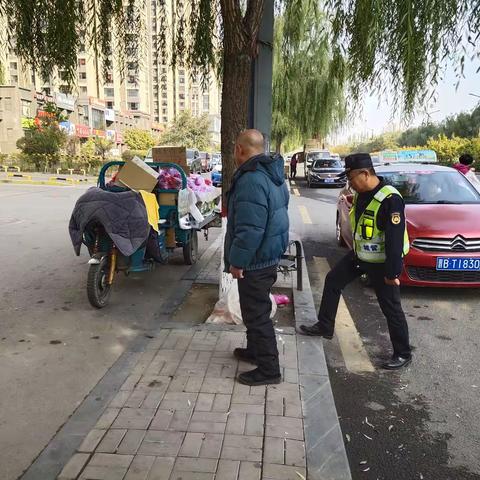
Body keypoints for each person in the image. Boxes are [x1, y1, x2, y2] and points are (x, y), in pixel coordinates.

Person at [299, 153, 412, 370]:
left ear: (365, 173)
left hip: (382, 263)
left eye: (351, 178)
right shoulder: (361, 194)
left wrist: (392, 273)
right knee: (333, 280)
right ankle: (325, 325)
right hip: (361, 256)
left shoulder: (390, 199)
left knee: (391, 308)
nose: (349, 183)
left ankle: (403, 353)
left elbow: (395, 239)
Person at [225, 129, 290, 385]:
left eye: (234, 149)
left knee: (257, 314)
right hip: (267, 254)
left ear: (240, 150)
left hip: (255, 259)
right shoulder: (272, 175)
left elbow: (250, 229)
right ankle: (254, 351)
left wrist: (238, 261)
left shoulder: (251, 180)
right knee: (253, 310)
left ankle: (269, 369)